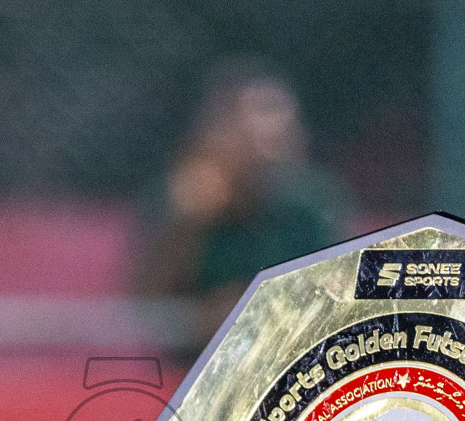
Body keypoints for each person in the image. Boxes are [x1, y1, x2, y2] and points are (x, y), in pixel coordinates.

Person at [132, 62, 352, 362]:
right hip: (191, 371)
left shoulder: (310, 208)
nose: (279, 132)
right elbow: (143, 312)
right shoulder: (178, 202)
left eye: (285, 122)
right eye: (262, 118)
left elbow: (334, 302)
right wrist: (185, 224)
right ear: (218, 133)